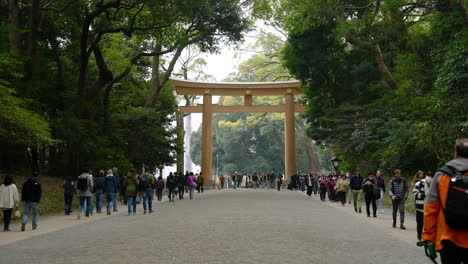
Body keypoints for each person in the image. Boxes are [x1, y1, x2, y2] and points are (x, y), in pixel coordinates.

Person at [423, 138, 468, 264]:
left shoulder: (443, 174)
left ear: (455, 154)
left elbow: (431, 208)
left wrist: (428, 237)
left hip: (448, 238)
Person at [413, 170, 432, 241]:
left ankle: (427, 237)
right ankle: (419, 235)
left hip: (430, 207)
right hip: (420, 207)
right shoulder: (419, 183)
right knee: (420, 222)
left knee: (428, 224)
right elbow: (415, 193)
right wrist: (423, 195)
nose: (429, 178)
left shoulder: (434, 184)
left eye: (431, 177)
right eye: (428, 176)